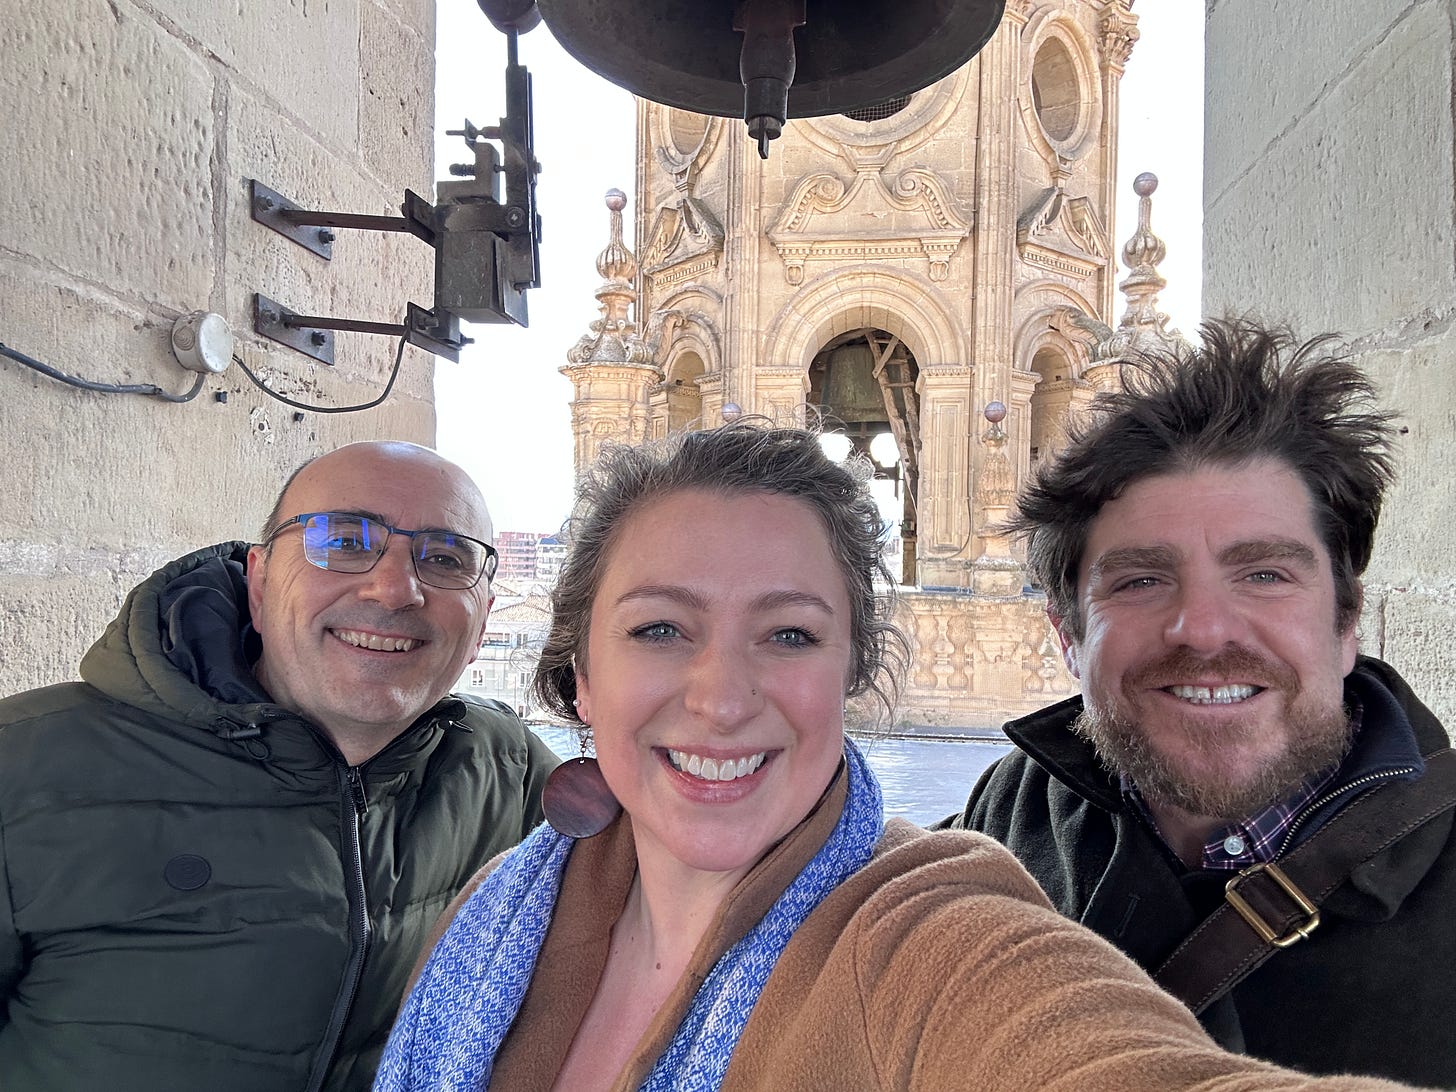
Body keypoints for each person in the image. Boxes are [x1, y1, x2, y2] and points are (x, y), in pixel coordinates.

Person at [374, 421, 1425, 1092]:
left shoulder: (923, 934)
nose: (722, 694)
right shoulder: (503, 904)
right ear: (579, 680)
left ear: (846, 679)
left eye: (789, 634)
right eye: (658, 629)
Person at [942, 320, 1456, 1086]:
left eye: (1265, 575)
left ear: (1347, 622)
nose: (1205, 630)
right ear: (1068, 636)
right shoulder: (1017, 809)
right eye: (1141, 580)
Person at [0, 441, 559, 1092]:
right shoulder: (25, 769)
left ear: (484, 619)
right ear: (259, 584)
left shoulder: (507, 769)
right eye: (344, 540)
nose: (395, 589)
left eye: (444, 558)